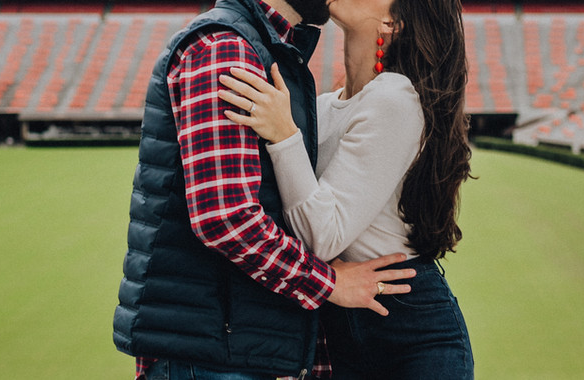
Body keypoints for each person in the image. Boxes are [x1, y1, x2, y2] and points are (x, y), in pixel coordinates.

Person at [111, 0, 417, 379]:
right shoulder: (225, 48)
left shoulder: (270, 51)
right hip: (211, 351)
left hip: (234, 344)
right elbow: (224, 217)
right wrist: (329, 284)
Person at [217, 0, 474, 378]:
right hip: (342, 324)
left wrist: (284, 135)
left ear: (392, 22)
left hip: (408, 330)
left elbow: (323, 238)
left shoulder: (395, 97)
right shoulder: (325, 105)